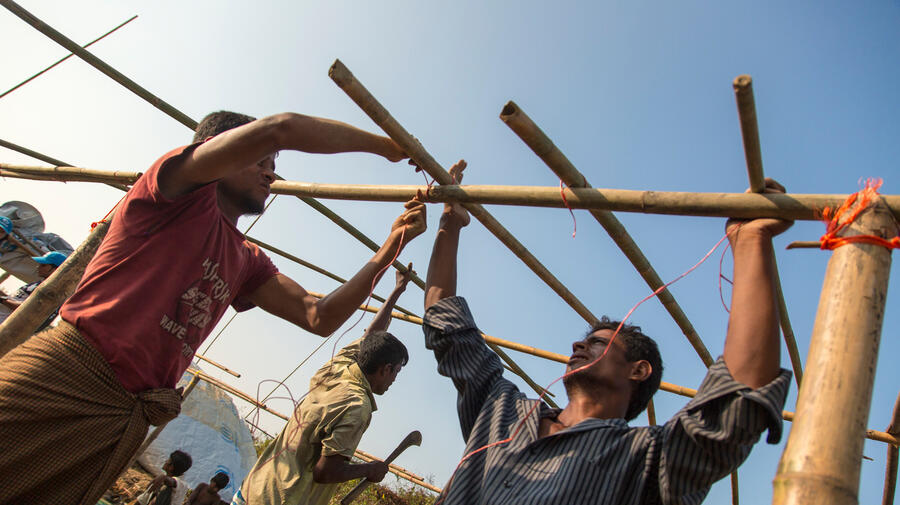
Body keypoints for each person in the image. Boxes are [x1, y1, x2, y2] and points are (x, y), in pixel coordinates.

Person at [0, 111, 427, 505]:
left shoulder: (246, 260)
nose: (271, 173)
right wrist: (386, 146)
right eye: (260, 160)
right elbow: (281, 127)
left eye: (274, 167)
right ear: (219, 151)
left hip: (125, 415)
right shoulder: (175, 191)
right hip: (69, 374)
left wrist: (394, 244)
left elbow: (320, 316)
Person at [421, 161, 793, 504]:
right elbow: (445, 319)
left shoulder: (644, 460)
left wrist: (749, 242)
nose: (579, 343)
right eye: (584, 339)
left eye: (597, 342)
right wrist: (451, 223)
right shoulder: (502, 410)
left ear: (638, 370)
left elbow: (735, 403)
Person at [234, 265, 415, 505]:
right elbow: (325, 472)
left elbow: (372, 335)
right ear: (386, 369)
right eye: (396, 373)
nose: (394, 380)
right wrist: (370, 469)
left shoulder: (339, 368)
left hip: (254, 489)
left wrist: (397, 290)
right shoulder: (357, 407)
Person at [0, 250, 69, 329]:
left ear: (56, 269)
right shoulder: (40, 284)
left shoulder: (51, 291)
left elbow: (29, 310)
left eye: (43, 265)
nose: (38, 267)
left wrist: (2, 300)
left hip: (6, 328)